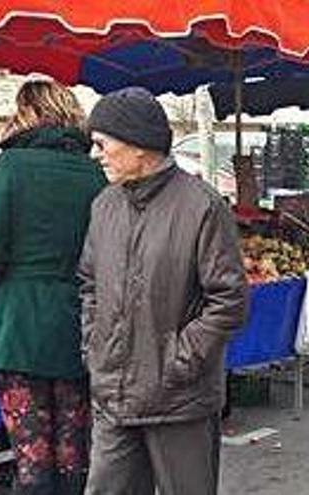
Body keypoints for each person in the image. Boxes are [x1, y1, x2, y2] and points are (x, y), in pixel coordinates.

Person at [79, 87, 248, 495]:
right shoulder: (104, 205)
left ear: (139, 146)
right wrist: (95, 347)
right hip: (114, 394)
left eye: (102, 144)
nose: (95, 154)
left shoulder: (202, 207)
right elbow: (89, 284)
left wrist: (178, 360)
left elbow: (228, 301)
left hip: (178, 399)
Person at [0, 80, 107, 494]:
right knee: (73, 450)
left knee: (31, 456)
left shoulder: (13, 165)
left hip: (16, 326)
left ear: (26, 113)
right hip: (75, 324)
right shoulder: (95, 172)